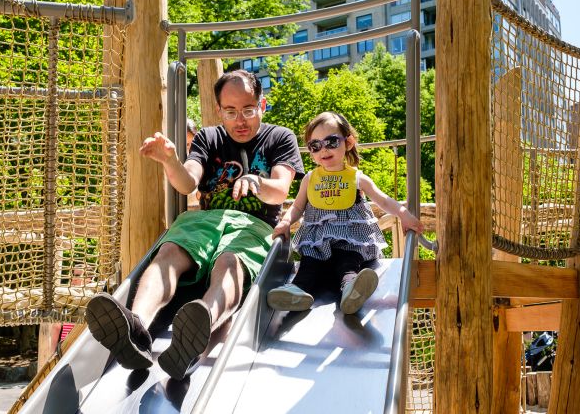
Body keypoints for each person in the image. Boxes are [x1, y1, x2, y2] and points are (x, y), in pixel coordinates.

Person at [85, 70, 304, 380]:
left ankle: (204, 320)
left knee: (230, 262)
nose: (239, 119)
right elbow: (188, 183)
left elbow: (281, 188)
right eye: (230, 111)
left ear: (262, 105)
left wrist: (256, 180)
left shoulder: (279, 137)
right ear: (219, 110)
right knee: (170, 251)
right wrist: (170, 161)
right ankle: (137, 328)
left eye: (247, 109)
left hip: (252, 224)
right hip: (204, 220)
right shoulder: (208, 137)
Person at [268, 111, 424, 315]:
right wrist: (286, 221)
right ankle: (298, 291)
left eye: (331, 142)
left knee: (347, 263)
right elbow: (297, 207)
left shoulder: (357, 178)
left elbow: (383, 200)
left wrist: (404, 214)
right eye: (315, 145)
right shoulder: (310, 179)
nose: (323, 149)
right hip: (318, 243)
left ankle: (351, 289)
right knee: (309, 264)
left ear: (348, 142)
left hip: (349, 241)